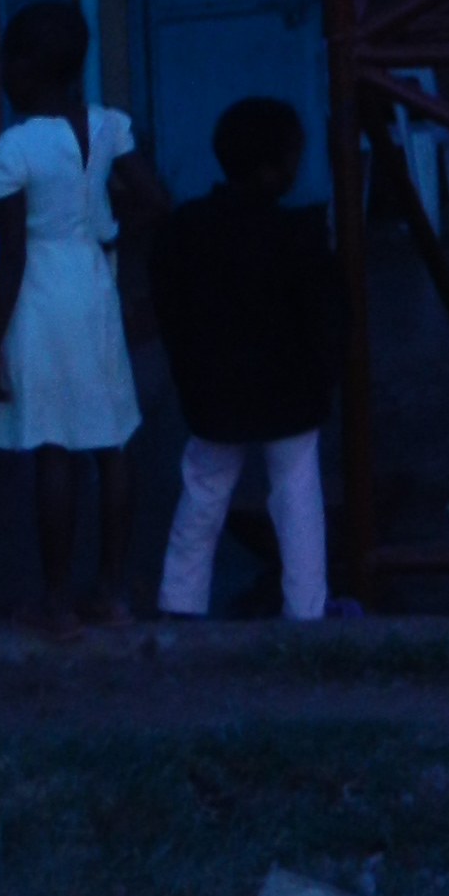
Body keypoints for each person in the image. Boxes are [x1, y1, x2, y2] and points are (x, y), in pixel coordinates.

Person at [0, 0, 151, 634]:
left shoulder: (13, 149)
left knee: (54, 446)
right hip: (93, 282)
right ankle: (112, 594)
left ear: (23, 69)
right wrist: (108, 228)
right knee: (111, 441)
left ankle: (57, 602)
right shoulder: (107, 127)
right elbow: (156, 200)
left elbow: (12, 257)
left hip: (41, 296)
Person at [149, 94, 347, 621]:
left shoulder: (185, 228)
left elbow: (168, 307)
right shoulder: (299, 235)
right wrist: (324, 376)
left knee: (203, 493)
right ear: (272, 169)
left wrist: (189, 373)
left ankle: (179, 605)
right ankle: (306, 611)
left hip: (214, 393)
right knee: (297, 495)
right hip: (290, 394)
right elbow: (326, 319)